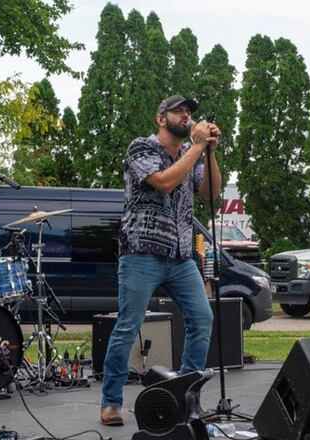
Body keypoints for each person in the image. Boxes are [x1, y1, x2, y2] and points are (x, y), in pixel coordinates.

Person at [100, 95, 222, 426]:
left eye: (188, 112)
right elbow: (164, 183)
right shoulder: (142, 148)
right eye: (178, 111)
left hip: (181, 256)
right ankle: (110, 402)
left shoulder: (190, 153)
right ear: (160, 118)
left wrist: (208, 152)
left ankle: (186, 396)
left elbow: (210, 192)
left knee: (202, 318)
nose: (185, 116)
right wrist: (197, 146)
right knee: (128, 326)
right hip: (142, 253)